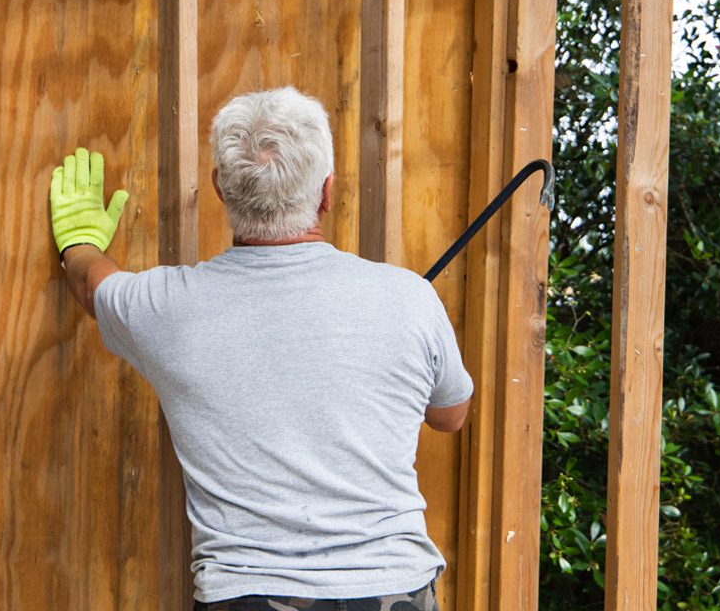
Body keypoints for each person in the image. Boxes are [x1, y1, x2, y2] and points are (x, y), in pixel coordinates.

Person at [48, 86, 473, 610]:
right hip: (392, 588)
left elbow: (93, 285)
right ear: (327, 191)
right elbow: (451, 416)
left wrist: (78, 241)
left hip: (249, 594)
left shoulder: (167, 306)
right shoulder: (410, 298)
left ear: (220, 190)